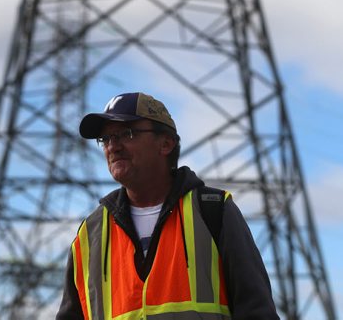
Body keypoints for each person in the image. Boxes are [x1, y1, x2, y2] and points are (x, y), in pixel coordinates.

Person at [56, 92, 279, 320]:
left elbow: (257, 311)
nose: (113, 147)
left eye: (127, 134)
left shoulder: (213, 212)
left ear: (166, 144)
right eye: (106, 139)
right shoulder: (90, 233)